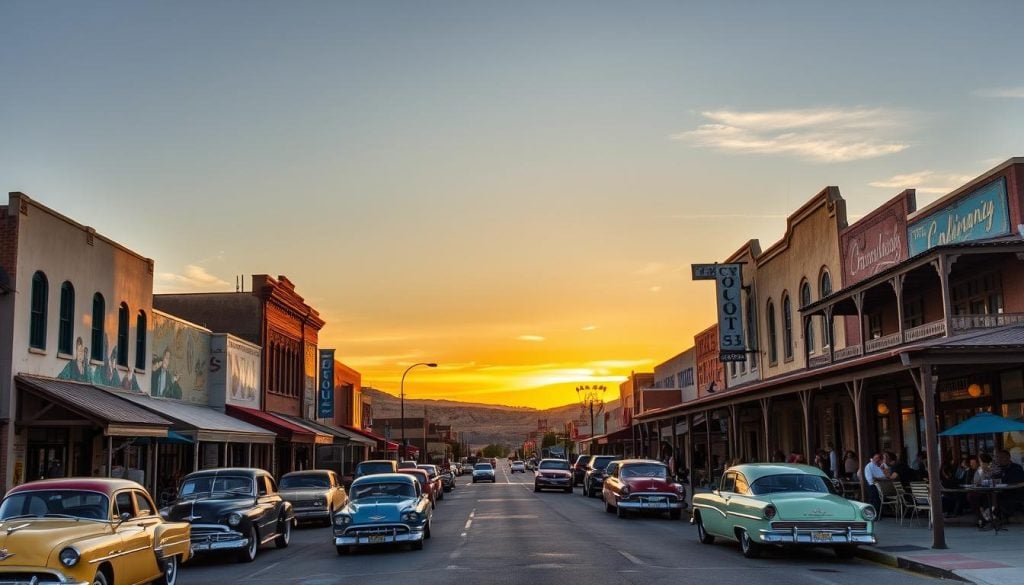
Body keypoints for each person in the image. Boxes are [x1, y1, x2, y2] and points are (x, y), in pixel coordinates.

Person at [863, 452, 891, 517]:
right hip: (873, 485)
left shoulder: (882, 465)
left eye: (879, 458)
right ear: (872, 458)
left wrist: (883, 466)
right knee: (875, 498)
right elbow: (871, 479)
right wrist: (879, 479)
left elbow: (887, 476)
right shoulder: (869, 466)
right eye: (876, 458)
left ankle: (882, 513)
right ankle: (875, 515)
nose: (877, 460)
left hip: (883, 485)